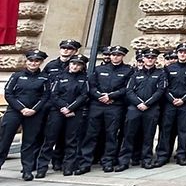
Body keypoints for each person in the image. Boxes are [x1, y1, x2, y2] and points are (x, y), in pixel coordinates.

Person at [77, 45, 133, 174]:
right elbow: (91, 86)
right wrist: (100, 96)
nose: (115, 57)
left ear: (123, 56)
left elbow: (127, 88)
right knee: (91, 134)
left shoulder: (128, 70)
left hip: (115, 106)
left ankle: (107, 161)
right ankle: (85, 163)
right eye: (113, 54)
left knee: (111, 135)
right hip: (97, 105)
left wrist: (111, 96)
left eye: (118, 55)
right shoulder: (99, 69)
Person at [0, 49, 50, 181]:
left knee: (29, 143)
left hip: (34, 113)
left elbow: (45, 96)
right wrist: (21, 109)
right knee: (4, 141)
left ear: (41, 62)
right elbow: (9, 93)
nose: (33, 63)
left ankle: (27, 170)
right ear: (27, 61)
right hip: (15, 112)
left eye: (37, 61)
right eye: (31, 60)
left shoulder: (44, 78)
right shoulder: (17, 76)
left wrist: (33, 109)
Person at [37, 54, 88, 177]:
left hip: (75, 112)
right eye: (73, 63)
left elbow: (84, 96)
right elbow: (54, 94)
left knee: (71, 140)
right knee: (50, 139)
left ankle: (68, 166)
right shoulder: (60, 77)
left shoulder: (84, 79)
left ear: (82, 67)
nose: (75, 66)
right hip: (58, 111)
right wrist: (63, 107)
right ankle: (42, 168)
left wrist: (70, 108)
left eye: (78, 64)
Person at [117, 49, 166, 171]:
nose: (150, 59)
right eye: (147, 57)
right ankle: (124, 161)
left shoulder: (160, 74)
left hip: (151, 109)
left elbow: (160, 91)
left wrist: (148, 103)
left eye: (152, 57)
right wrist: (139, 103)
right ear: (143, 59)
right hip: (135, 108)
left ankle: (146, 160)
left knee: (148, 135)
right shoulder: (135, 74)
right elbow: (129, 90)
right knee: (129, 135)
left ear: (155, 59)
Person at [156, 42, 186, 167]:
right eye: (181, 52)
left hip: (185, 104)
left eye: (185, 52)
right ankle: (163, 155)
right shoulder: (169, 68)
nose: (183, 54)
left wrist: (183, 100)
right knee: (166, 130)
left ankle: (182, 155)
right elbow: (165, 86)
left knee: (183, 130)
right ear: (177, 53)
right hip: (170, 104)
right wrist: (172, 99)